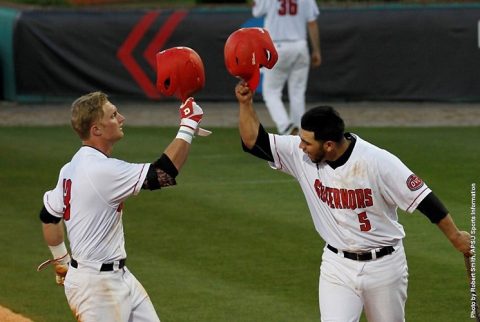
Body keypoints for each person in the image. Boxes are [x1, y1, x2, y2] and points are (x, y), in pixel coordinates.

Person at [234, 81, 472, 322]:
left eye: (307, 142)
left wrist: (455, 236)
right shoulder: (301, 154)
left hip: (384, 267)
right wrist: (245, 103)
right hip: (337, 266)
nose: (300, 145)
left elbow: (424, 199)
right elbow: (254, 142)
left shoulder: (378, 162)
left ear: (328, 145)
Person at [38, 92, 205, 321]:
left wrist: (61, 263)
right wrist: (188, 124)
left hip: (118, 277)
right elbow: (163, 174)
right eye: (114, 115)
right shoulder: (100, 170)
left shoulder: (71, 167)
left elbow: (48, 215)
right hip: (96, 290)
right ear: (97, 129)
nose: (122, 118)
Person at [252, 0, 322, 135]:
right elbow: (312, 22)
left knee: (271, 92)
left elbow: (257, 12)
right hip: (300, 45)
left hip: (277, 46)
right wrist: (316, 50)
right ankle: (301, 132)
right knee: (297, 93)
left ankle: (286, 127)